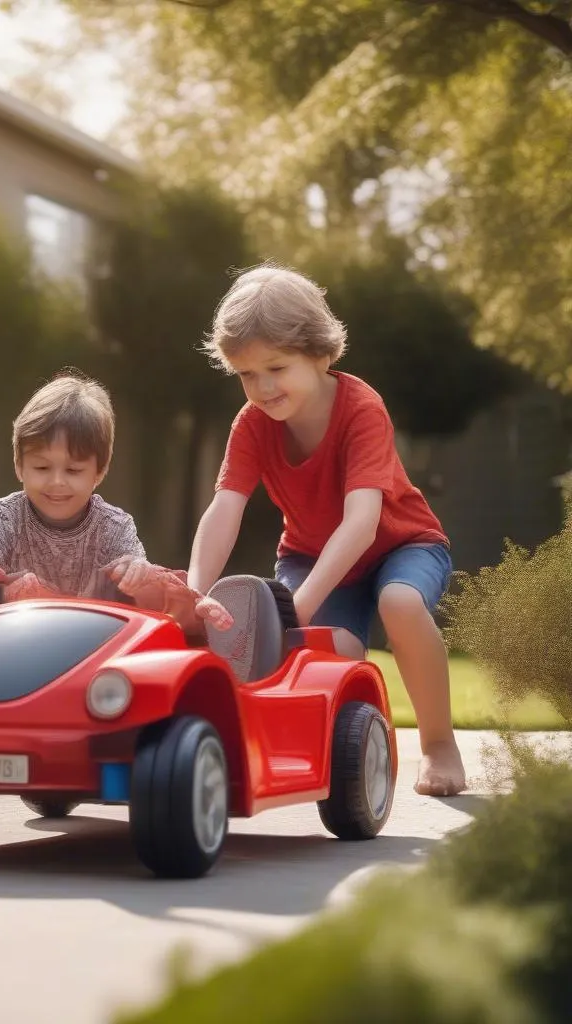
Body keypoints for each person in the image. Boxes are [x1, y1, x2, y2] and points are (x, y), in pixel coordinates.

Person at [186, 263, 466, 797]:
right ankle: (337, 759)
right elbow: (224, 510)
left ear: (320, 353)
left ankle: (438, 744)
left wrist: (299, 604)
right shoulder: (251, 425)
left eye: (276, 367)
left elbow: (362, 524)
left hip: (401, 545)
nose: (263, 388)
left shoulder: (362, 409)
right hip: (312, 556)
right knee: (331, 653)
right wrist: (194, 588)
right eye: (247, 375)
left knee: (400, 604)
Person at [0, 371, 186, 616]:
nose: (57, 482)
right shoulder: (4, 518)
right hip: (17, 643)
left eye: (73, 470)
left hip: (98, 646)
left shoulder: (114, 527)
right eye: (42, 467)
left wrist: (139, 575)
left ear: (100, 472)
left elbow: (152, 604)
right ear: (19, 465)